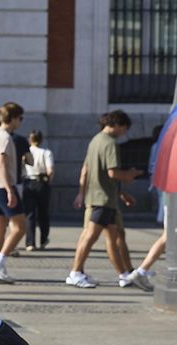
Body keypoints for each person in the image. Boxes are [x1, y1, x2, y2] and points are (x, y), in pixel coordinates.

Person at [67, 110, 143, 289]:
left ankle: (123, 274)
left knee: (113, 236)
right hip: (102, 198)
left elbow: (85, 169)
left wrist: (82, 192)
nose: (124, 133)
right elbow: (113, 173)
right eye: (124, 129)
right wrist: (130, 175)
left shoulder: (95, 140)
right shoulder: (110, 143)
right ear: (117, 125)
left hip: (99, 197)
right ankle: (75, 273)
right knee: (90, 236)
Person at [0, 102, 29, 283]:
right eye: (20, 118)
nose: (21, 122)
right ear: (14, 118)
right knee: (20, 227)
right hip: (3, 187)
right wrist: (10, 190)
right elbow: (2, 164)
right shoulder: (5, 138)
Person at [125, 124, 170, 291]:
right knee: (169, 236)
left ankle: (142, 270)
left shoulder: (163, 147)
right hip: (176, 198)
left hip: (170, 195)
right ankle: (142, 270)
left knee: (168, 236)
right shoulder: (169, 148)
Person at [22, 130, 54, 251]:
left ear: (30, 139)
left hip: (28, 181)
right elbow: (50, 170)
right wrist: (49, 181)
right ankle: (43, 239)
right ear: (41, 140)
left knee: (30, 214)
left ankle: (30, 242)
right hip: (42, 182)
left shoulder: (26, 152)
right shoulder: (46, 152)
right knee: (43, 213)